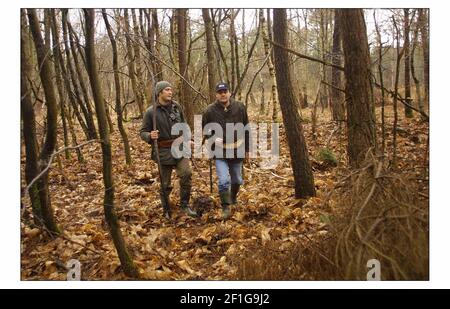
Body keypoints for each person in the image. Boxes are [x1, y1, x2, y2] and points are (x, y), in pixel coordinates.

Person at [140, 81, 197, 218]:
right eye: (167, 90)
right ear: (159, 92)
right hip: (163, 151)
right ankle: (166, 209)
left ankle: (184, 205)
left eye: (171, 90)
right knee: (165, 183)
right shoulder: (150, 112)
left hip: (180, 148)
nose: (170, 92)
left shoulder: (176, 107)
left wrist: (189, 139)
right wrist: (149, 135)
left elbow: (184, 125)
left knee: (186, 174)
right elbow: (142, 132)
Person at [202, 82, 250, 219]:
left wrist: (247, 149)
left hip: (237, 149)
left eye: (225, 91)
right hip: (219, 152)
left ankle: (233, 198)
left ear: (229, 93)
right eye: (220, 92)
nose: (223, 94)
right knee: (223, 180)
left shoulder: (240, 107)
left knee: (237, 180)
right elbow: (205, 130)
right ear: (216, 94)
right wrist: (211, 138)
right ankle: (225, 207)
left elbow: (246, 128)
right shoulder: (209, 110)